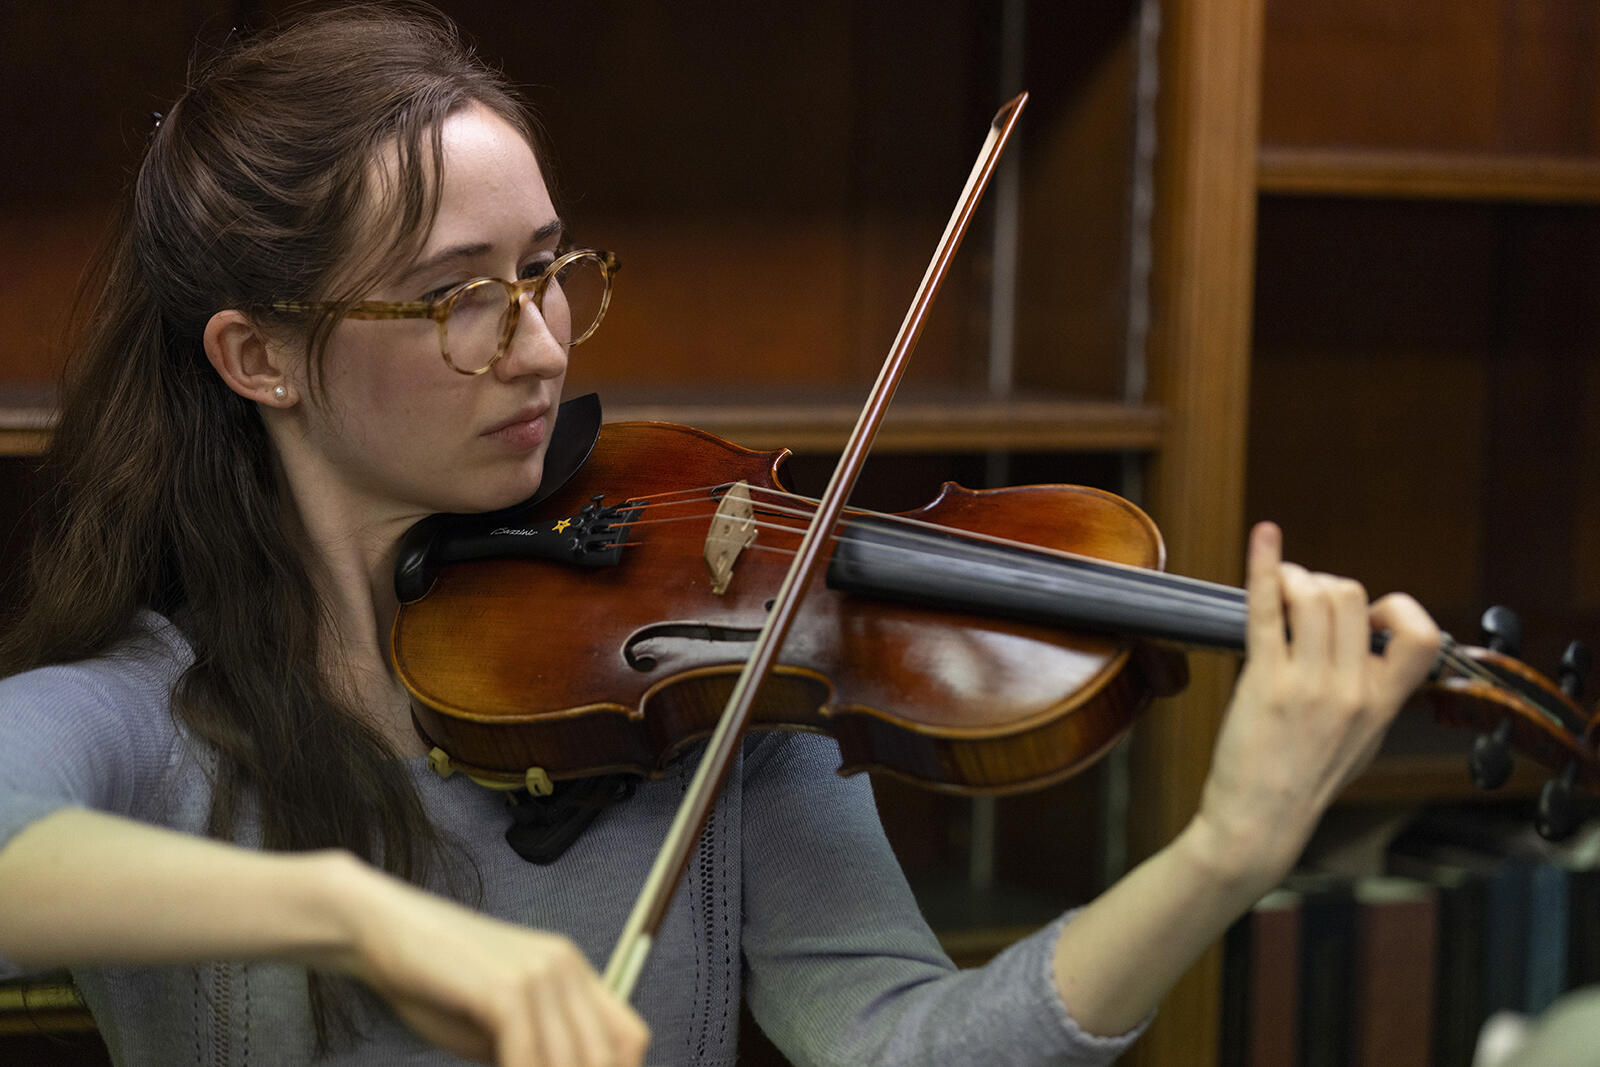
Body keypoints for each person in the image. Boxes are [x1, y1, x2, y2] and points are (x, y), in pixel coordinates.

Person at [0, 5, 1442, 1065]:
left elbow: (896, 1046)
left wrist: (1227, 853)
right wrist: (349, 912)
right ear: (260, 360)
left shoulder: (694, 675)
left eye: (548, 270)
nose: (542, 344)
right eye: (458, 298)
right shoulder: (144, 722)